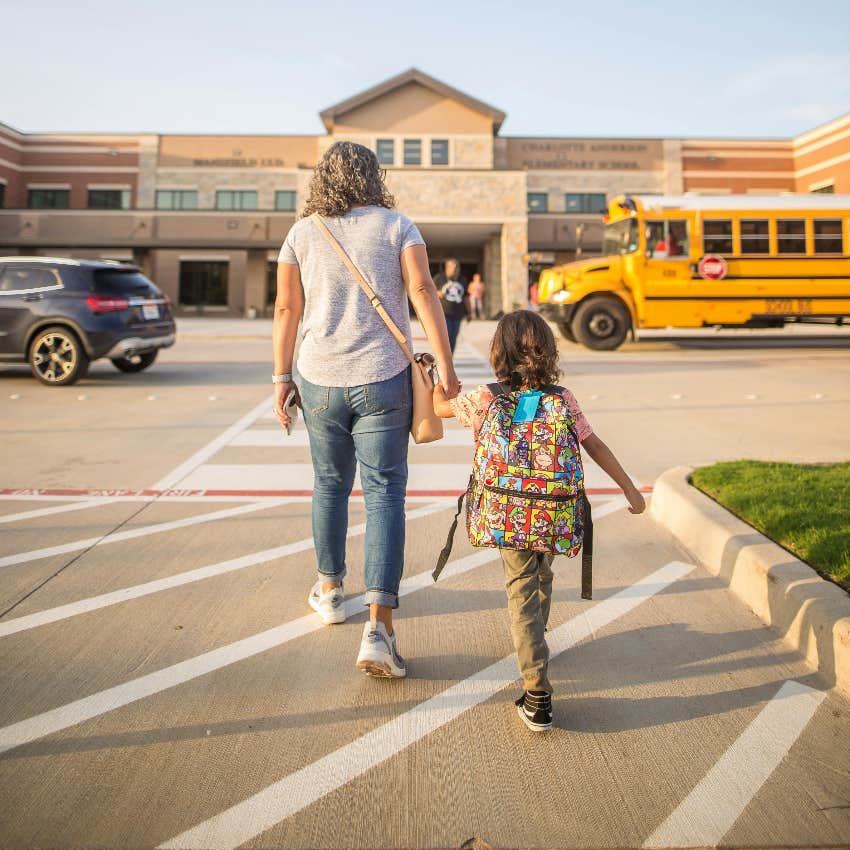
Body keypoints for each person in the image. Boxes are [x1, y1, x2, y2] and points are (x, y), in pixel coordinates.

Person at [273, 140, 461, 679]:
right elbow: (423, 290)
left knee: (329, 485)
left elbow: (288, 307)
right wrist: (444, 366)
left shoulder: (301, 232)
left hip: (319, 379)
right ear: (372, 176)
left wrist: (281, 378)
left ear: (322, 179)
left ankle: (330, 590)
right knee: (384, 496)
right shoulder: (398, 225)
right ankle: (379, 628)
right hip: (384, 378)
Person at [433, 310, 645, 730]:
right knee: (541, 576)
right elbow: (594, 445)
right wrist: (629, 488)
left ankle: (536, 690)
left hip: (508, 512)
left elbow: (439, 408)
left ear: (499, 351)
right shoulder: (562, 398)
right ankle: (537, 643)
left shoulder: (486, 398)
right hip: (552, 512)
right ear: (548, 351)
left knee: (521, 591)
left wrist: (432, 381)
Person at [433, 257, 468, 351]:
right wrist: (437, 293)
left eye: (458, 267)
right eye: (454, 267)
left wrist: (469, 312)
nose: (456, 269)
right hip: (444, 313)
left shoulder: (462, 279)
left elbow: (466, 297)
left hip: (458, 314)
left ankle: (450, 358)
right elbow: (429, 291)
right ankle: (444, 358)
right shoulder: (439, 278)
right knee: (446, 337)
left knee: (453, 337)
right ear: (447, 267)